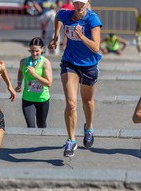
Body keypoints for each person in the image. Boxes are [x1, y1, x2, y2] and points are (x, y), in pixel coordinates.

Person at [48, 0, 102, 157]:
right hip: (70, 63)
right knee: (71, 103)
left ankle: (89, 128)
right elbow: (57, 16)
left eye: (83, 3)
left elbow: (96, 47)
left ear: (87, 3)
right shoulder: (66, 14)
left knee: (87, 101)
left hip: (89, 65)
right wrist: (56, 35)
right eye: (77, 3)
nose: (80, 6)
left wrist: (81, 36)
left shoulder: (92, 19)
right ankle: (71, 140)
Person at [15, 37, 52, 128]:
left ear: (42, 49)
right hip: (28, 98)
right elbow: (20, 71)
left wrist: (35, 74)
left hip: (42, 99)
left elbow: (49, 83)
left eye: (37, 51)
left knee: (41, 125)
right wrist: (19, 83)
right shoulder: (24, 62)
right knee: (30, 126)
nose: (34, 54)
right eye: (32, 51)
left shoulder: (45, 63)